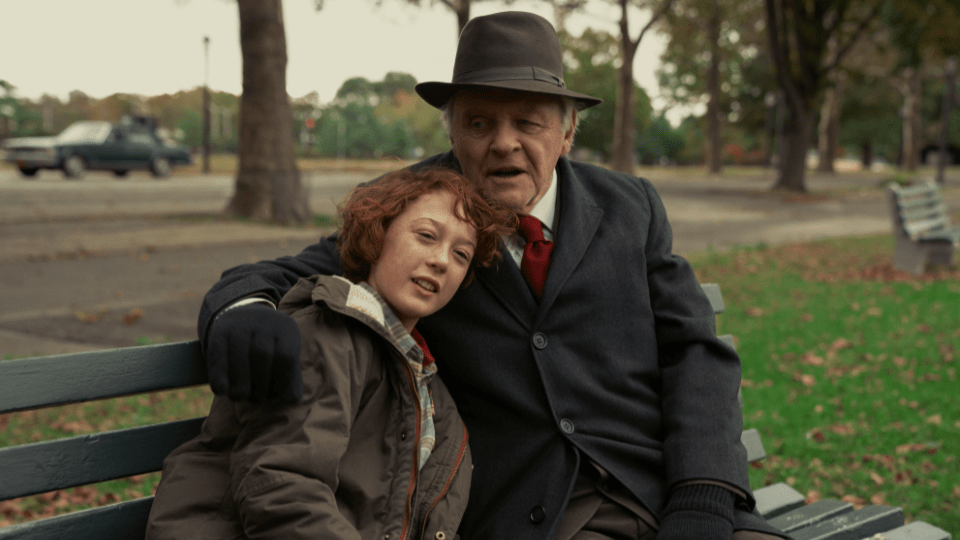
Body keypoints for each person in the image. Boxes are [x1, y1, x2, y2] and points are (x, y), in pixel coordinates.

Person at [193, 11, 792, 540]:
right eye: (479, 124)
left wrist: (703, 493)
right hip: (535, 510)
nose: (503, 144)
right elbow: (276, 274)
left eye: (528, 123)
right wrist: (243, 310)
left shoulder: (631, 206)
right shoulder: (412, 213)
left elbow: (694, 348)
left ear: (566, 132)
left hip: (666, 491)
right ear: (452, 131)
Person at [146, 167, 514, 540]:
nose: (441, 260)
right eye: (425, 236)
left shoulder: (428, 389)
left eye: (461, 254)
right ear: (378, 234)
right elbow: (282, 488)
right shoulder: (330, 333)